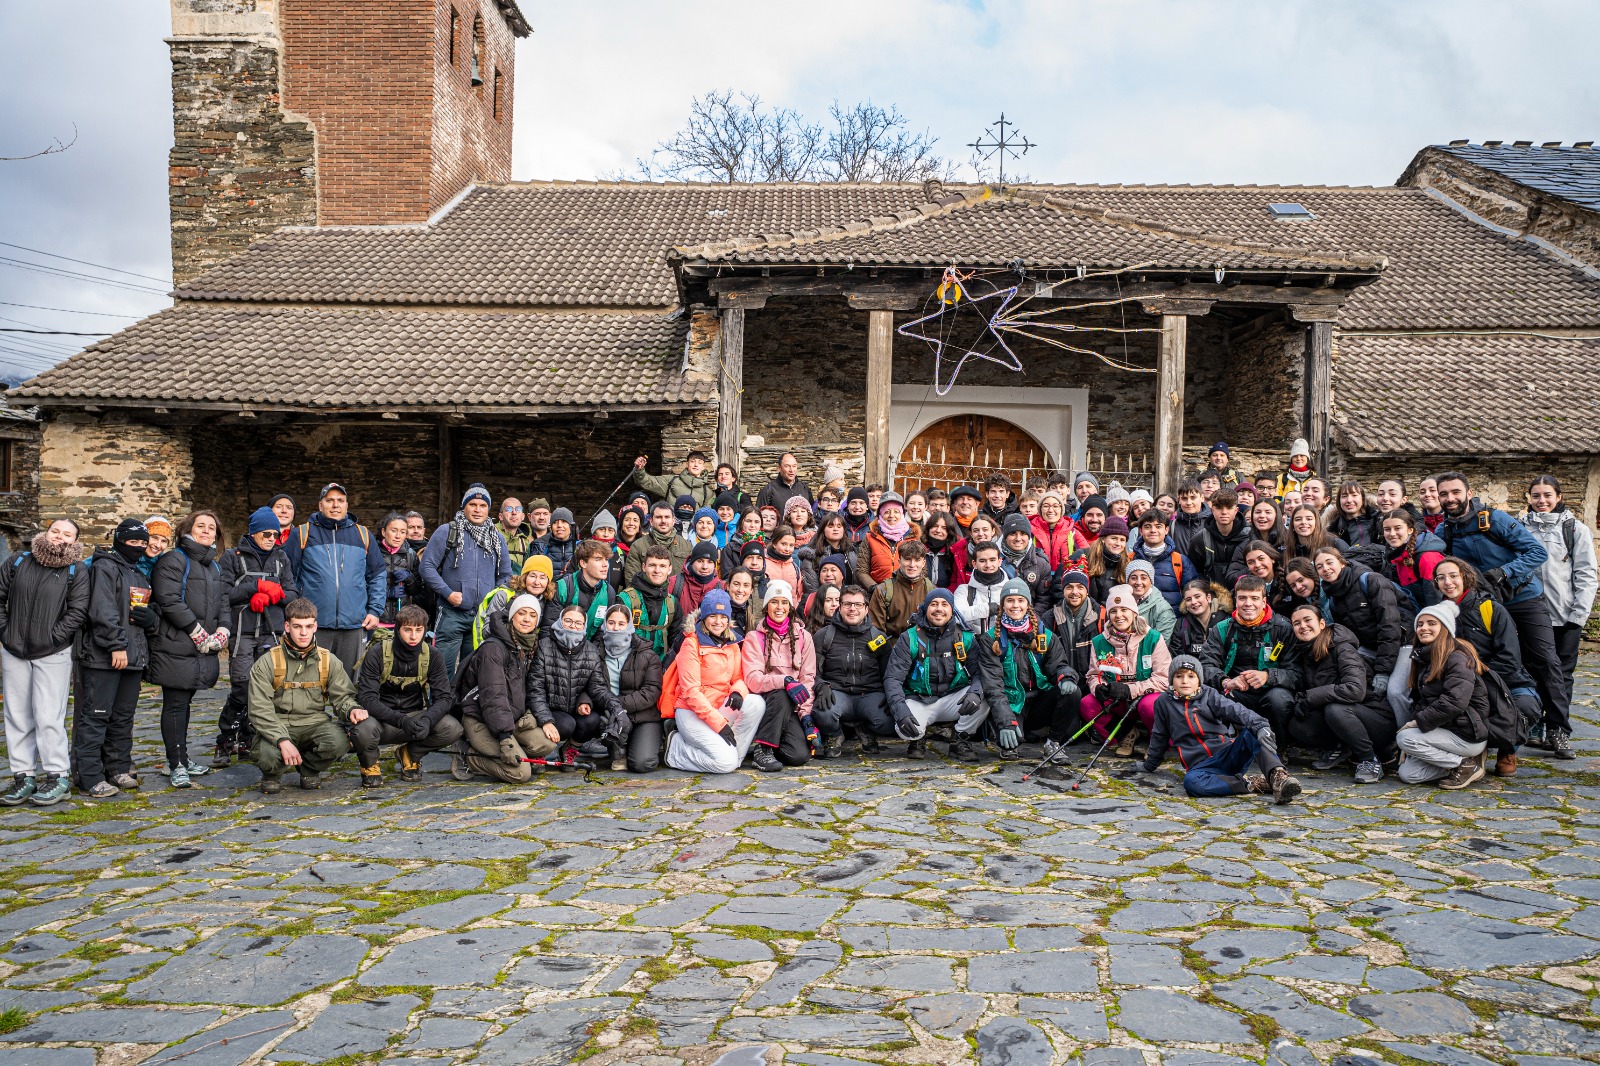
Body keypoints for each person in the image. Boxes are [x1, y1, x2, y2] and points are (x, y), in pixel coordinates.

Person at [1435, 471, 1569, 756]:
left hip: (1523, 598)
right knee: (1490, 660)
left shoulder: (1495, 519)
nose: (1450, 498)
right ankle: (1511, 724)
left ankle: (1557, 728)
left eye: (1455, 492)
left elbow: (1536, 552)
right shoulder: (1443, 532)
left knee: (1545, 661)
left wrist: (1504, 572)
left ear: (1469, 494)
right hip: (1486, 605)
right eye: (1444, 494)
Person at [1417, 556, 1542, 777]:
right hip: (1458, 682)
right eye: (1441, 578)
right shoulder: (1436, 615)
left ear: (1465, 577)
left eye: (1453, 576)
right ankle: (1473, 750)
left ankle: (1507, 749)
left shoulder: (1491, 609)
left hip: (1502, 679)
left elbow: (1510, 657)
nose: (1448, 582)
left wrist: (1478, 682)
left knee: (1527, 706)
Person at [1137, 654, 1299, 802]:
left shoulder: (1209, 694)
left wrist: (1261, 725)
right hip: (1200, 767)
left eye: (1191, 676)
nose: (1185, 681)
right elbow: (1160, 735)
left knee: (1253, 732)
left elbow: (1236, 711)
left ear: (1199, 680)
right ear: (1172, 680)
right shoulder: (1163, 702)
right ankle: (1251, 784)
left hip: (1227, 755)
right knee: (1191, 784)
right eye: (1179, 676)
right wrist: (1149, 765)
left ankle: (1278, 777)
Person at [74, 519, 157, 800]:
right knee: (96, 716)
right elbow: (102, 610)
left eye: (143, 544)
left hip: (133, 656)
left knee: (123, 718)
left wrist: (151, 619)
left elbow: (140, 613)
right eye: (133, 542)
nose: (138, 548)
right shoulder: (104, 568)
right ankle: (89, 776)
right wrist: (115, 646)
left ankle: (118, 768)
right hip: (104, 656)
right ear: (120, 540)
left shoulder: (138, 574)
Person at [246, 596, 362, 794]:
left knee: (339, 741)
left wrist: (352, 709)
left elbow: (343, 696)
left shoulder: (328, 660)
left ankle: (308, 770)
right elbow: (259, 709)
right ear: (287, 626)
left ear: (315, 626)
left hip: (315, 723)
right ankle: (272, 774)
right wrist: (282, 740)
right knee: (266, 754)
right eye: (298, 626)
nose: (303, 633)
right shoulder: (267, 662)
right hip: (279, 722)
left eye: (308, 626)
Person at [148, 511, 228, 789]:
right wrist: (197, 631)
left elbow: (223, 603)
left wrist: (223, 631)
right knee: (175, 705)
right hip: (176, 644)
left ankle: (180, 757)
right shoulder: (175, 559)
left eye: (211, 528)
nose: (206, 531)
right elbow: (168, 600)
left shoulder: (213, 567)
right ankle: (176, 763)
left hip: (200, 648)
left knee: (184, 704)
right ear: (188, 529)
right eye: (200, 526)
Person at [214, 506, 297, 768]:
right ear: (253, 533)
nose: (272, 538)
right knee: (241, 688)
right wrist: (254, 588)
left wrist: (277, 595)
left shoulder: (281, 559)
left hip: (272, 632)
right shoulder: (231, 557)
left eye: (275, 533)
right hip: (242, 633)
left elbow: (293, 594)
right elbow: (223, 594)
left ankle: (249, 739)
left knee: (265, 690)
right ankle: (226, 739)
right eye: (266, 533)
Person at [453, 594, 560, 783]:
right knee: (520, 773)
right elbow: (494, 697)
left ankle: (508, 752)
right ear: (512, 616)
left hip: (511, 718)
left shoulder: (527, 645)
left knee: (546, 744)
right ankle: (468, 757)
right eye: (522, 613)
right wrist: (505, 738)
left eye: (532, 615)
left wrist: (531, 715)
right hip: (481, 720)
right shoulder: (493, 649)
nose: (527, 619)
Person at [351, 604, 461, 786]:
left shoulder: (432, 655)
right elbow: (367, 699)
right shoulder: (377, 653)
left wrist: (427, 720)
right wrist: (401, 721)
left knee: (452, 728)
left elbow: (444, 698)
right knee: (362, 730)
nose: (413, 636)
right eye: (407, 630)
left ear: (425, 630)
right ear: (397, 630)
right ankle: (369, 764)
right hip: (380, 720)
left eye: (418, 630)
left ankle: (410, 754)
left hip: (415, 716)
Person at [663, 589, 768, 773]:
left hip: (720, 706)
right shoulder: (691, 644)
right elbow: (691, 693)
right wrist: (719, 725)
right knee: (724, 763)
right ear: (704, 617)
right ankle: (676, 749)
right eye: (713, 616)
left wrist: (737, 691)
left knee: (756, 703)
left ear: (728, 618)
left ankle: (734, 756)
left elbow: (739, 678)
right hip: (692, 713)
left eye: (723, 616)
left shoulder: (732, 643)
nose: (718, 622)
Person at [283, 483, 384, 675]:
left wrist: (374, 610)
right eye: (329, 501)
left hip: (354, 625)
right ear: (320, 505)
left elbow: (377, 575)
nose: (335, 505)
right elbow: (288, 577)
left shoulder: (362, 535)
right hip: (312, 625)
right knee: (309, 684)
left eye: (340, 501)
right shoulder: (302, 534)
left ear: (347, 505)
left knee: (348, 688)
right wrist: (295, 613)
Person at [1289, 603, 1395, 782]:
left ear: (1322, 624)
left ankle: (1369, 760)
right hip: (1345, 716)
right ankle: (1340, 748)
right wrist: (1303, 700)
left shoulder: (1342, 648)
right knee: (1298, 722)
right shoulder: (1306, 652)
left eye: (1308, 620)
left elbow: (1355, 690)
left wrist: (1311, 697)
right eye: (1296, 623)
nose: (1302, 626)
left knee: (1335, 709)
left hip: (1376, 719)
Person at [1523, 475, 1598, 726]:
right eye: (1536, 496)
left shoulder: (1575, 529)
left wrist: (1578, 615)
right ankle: (1535, 724)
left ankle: (1556, 727)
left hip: (1564, 615)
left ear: (1559, 497)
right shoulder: (1519, 528)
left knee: (1562, 674)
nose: (1541, 501)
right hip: (1530, 615)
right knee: (1532, 671)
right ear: (1529, 498)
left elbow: (1586, 574)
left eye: (1547, 495)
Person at [976, 578, 1079, 760]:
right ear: (1002, 605)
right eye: (1010, 600)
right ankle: (1010, 730)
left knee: (1073, 693)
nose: (1015, 605)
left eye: (1021, 600)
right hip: (1011, 701)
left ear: (1028, 604)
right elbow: (993, 686)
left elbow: (1059, 665)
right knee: (1010, 744)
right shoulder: (990, 640)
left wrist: (1066, 677)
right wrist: (1006, 721)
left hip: (1039, 700)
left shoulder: (1046, 636)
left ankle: (1053, 743)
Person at [884, 589, 989, 762]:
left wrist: (976, 692)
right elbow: (892, 679)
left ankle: (960, 740)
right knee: (906, 731)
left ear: (952, 610)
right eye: (933, 604)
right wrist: (900, 712)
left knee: (984, 698)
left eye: (944, 604)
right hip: (919, 699)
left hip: (954, 698)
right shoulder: (908, 638)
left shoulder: (966, 637)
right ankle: (918, 739)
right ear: (925, 609)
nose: (939, 609)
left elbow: (980, 672)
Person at [421, 484, 513, 681]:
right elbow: (426, 567)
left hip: (481, 616)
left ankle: (461, 710)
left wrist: (493, 598)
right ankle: (439, 708)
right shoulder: (447, 532)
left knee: (471, 670)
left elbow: (505, 574)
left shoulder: (496, 537)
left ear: (489, 509)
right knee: (441, 669)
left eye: (482, 505)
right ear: (464, 507)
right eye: (472, 504)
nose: (477, 509)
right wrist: (447, 593)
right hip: (450, 613)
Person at [1396, 602, 1490, 789]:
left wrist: (1416, 725)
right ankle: (1462, 762)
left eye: (1432, 623)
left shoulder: (1457, 657)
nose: (1424, 628)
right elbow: (1425, 701)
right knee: (1408, 774)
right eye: (1420, 624)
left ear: (1445, 628)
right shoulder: (1426, 658)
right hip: (1445, 731)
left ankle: (1465, 765)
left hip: (1466, 734)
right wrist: (1415, 748)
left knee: (1404, 738)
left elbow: (1455, 701)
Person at [1197, 575, 1296, 743]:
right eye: (1242, 598)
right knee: (1210, 695)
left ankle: (1280, 745)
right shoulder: (1221, 629)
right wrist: (1225, 681)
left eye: (1254, 598)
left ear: (1264, 601)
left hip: (1271, 691)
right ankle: (1227, 742)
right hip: (1237, 691)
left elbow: (1296, 672)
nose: (1248, 603)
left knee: (1279, 699)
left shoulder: (1283, 628)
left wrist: (1268, 676)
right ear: (1235, 600)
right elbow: (1206, 666)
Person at [1078, 584, 1171, 756]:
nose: (1119, 616)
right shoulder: (1099, 642)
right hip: (1118, 702)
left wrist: (1129, 690)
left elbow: (1163, 679)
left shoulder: (1153, 638)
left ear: (1134, 612)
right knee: (1087, 704)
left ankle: (1156, 741)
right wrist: (1098, 687)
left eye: (1124, 610)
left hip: (1144, 698)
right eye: (1113, 611)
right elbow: (1093, 675)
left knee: (1151, 706)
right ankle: (1125, 734)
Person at [532, 604, 627, 767]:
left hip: (574, 707)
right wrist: (545, 719)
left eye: (578, 623)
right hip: (550, 708)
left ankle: (569, 750)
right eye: (568, 620)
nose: (572, 625)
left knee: (594, 720)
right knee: (566, 724)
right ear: (560, 621)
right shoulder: (544, 645)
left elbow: (597, 687)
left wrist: (616, 708)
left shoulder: (590, 650)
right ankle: (541, 750)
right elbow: (535, 688)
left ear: (584, 626)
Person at [741, 580, 817, 770]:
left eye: (784, 602)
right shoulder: (754, 638)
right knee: (783, 693)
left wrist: (806, 717)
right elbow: (753, 680)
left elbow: (807, 679)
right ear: (767, 606)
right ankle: (763, 750)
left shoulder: (803, 637)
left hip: (790, 707)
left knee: (798, 755)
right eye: (774, 602)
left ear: (790, 607)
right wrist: (784, 680)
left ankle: (772, 742)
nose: (779, 607)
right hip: (764, 703)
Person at [1312, 547, 1406, 700]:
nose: (1326, 569)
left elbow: (1390, 625)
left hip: (1403, 642)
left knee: (1395, 693)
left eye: (1329, 562)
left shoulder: (1370, 580)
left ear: (1342, 563)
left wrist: (1383, 670)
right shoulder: (1333, 597)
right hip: (1370, 647)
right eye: (1319, 567)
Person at [813, 584, 894, 755]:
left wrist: (890, 695)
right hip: (837, 693)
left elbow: (889, 674)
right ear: (840, 607)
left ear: (866, 609)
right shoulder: (823, 636)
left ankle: (866, 730)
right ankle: (835, 734)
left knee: (889, 719)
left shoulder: (878, 637)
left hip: (870, 693)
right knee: (823, 713)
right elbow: (812, 672)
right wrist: (821, 686)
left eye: (858, 605)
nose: (852, 609)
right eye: (848, 604)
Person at [600, 603, 664, 773]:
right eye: (611, 623)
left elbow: (651, 691)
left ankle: (639, 743)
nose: (615, 628)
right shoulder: (596, 651)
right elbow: (590, 684)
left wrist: (618, 703)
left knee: (642, 763)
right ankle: (618, 750)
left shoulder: (647, 654)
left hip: (643, 716)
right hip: (610, 714)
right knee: (596, 719)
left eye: (621, 624)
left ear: (629, 625)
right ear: (604, 623)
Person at [620, 546, 684, 660]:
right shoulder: (625, 599)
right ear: (644, 567)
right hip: (629, 665)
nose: (657, 570)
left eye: (662, 566)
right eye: (652, 565)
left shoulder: (672, 603)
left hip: (660, 667)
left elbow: (676, 640)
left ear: (669, 569)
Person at [1381, 508, 1446, 614]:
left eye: (1398, 528)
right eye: (1387, 529)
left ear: (1410, 529)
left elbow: (1436, 602)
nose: (1392, 534)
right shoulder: (1399, 554)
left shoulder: (1428, 559)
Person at [1048, 571, 1103, 690]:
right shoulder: (1050, 618)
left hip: (1094, 685)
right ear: (1063, 590)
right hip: (1062, 683)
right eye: (1069, 587)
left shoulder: (1101, 616)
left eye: (1080, 587)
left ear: (1087, 591)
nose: (1074, 592)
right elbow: (1047, 657)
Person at [552, 540, 617, 640]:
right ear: (583, 563)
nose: (605, 564)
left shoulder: (609, 592)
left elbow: (602, 633)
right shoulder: (563, 587)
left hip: (590, 651)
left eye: (606, 559)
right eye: (598, 559)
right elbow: (549, 627)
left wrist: (591, 653)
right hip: (560, 649)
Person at [1130, 509, 1194, 610]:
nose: (1153, 530)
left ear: (1166, 530)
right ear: (1140, 531)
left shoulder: (1179, 561)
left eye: (1158, 526)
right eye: (1147, 526)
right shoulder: (1129, 559)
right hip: (1136, 621)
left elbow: (1192, 595)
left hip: (1172, 622)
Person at [856, 492, 919, 593]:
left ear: (902, 514)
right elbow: (861, 570)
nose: (892, 516)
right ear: (880, 514)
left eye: (896, 511)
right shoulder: (870, 537)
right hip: (876, 594)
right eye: (887, 512)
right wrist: (876, 589)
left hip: (906, 593)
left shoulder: (913, 538)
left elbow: (922, 569)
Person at [869, 540, 933, 637]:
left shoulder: (931, 590)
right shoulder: (883, 590)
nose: (912, 565)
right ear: (899, 561)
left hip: (923, 646)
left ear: (923, 563)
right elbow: (876, 628)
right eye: (907, 559)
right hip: (892, 645)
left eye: (917, 560)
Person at [1188, 489, 1250, 587]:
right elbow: (1194, 573)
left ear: (1236, 510)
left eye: (1229, 507)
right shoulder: (1199, 539)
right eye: (1219, 507)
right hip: (1211, 593)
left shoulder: (1250, 536)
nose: (1224, 512)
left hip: (1244, 592)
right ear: (1212, 510)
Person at [1068, 516, 1128, 605]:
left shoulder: (1126, 565)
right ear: (1103, 539)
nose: (1118, 543)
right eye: (1114, 538)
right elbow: (1061, 585)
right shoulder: (1082, 556)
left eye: (1122, 540)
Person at [626, 502, 690, 584]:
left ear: (673, 521)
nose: (663, 521)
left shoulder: (686, 546)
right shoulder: (638, 546)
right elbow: (632, 579)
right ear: (651, 521)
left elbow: (690, 580)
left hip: (676, 596)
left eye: (667, 517)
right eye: (658, 517)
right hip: (645, 595)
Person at [1000, 513, 1054, 610]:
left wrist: (1033, 620)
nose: (1018, 538)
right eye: (1012, 533)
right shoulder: (994, 559)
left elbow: (1044, 599)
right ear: (1005, 536)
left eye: (1023, 534)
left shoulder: (1040, 563)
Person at [376, 512, 422, 625]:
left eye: (402, 532)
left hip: (402, 621)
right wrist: (387, 593)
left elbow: (417, 590)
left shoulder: (410, 555)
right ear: (383, 532)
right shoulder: (373, 553)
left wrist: (409, 577)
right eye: (394, 530)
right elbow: (360, 585)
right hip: (376, 619)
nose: (398, 536)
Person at [956, 541, 1012, 633]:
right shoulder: (964, 590)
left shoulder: (1010, 589)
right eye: (982, 561)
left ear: (999, 561)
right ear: (974, 564)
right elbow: (957, 616)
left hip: (1002, 644)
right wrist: (987, 609)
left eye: (992, 560)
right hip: (973, 645)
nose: (988, 565)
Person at [633, 450, 715, 509]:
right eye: (692, 461)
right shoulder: (672, 481)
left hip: (693, 531)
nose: (696, 465)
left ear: (703, 466)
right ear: (687, 464)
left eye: (699, 462)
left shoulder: (707, 492)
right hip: (671, 528)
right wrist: (639, 470)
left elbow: (706, 515)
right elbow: (647, 481)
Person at [1125, 559, 1176, 640]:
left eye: (1143, 578)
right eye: (1134, 578)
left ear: (1151, 581)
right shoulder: (1119, 603)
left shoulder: (1163, 609)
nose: (1138, 582)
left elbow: (1160, 643)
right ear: (1127, 581)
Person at [1171, 579, 1220, 659]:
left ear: (1209, 597)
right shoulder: (1181, 625)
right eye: (1188, 599)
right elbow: (1177, 656)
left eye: (1197, 597)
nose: (1193, 602)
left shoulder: (1226, 621)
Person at [756, 452, 814, 517]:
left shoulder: (804, 488)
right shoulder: (768, 491)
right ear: (779, 468)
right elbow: (759, 517)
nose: (791, 470)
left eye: (794, 466)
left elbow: (811, 515)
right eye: (787, 466)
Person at [951, 514, 1001, 588]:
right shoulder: (960, 553)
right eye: (976, 531)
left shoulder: (1003, 551)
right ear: (971, 533)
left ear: (993, 531)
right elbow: (954, 582)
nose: (980, 534)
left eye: (985, 530)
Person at [1031, 492, 1077, 571]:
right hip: (1037, 579)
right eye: (1046, 506)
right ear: (1040, 509)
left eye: (1055, 506)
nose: (1050, 510)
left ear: (1061, 509)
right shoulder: (1030, 530)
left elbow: (1086, 555)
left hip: (1063, 580)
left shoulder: (1072, 531)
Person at [1329, 480, 1383, 548]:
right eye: (1344, 496)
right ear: (1339, 501)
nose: (1349, 500)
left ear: (1363, 500)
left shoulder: (1378, 521)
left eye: (1354, 495)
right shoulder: (1334, 529)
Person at [1283, 504, 1348, 560]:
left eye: (1309, 519)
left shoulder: (1334, 543)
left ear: (1316, 522)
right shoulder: (1286, 546)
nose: (1303, 522)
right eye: (1298, 519)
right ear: (1292, 524)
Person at [1170, 479, 1210, 559]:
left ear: (1202, 498)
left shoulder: (1211, 523)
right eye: (1184, 498)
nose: (1188, 503)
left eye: (1193, 498)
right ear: (1179, 500)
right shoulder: (1172, 526)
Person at [921, 512, 960, 590]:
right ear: (928, 528)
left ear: (949, 532)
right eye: (935, 526)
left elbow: (956, 581)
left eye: (944, 528)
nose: (938, 530)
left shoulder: (955, 552)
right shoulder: (919, 549)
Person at [497, 498, 536, 572]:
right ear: (501, 516)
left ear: (522, 516)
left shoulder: (525, 542)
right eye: (509, 509)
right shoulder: (490, 534)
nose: (514, 512)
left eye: (518, 509)